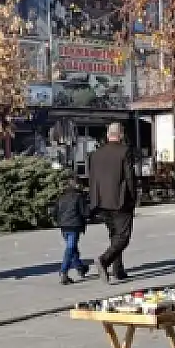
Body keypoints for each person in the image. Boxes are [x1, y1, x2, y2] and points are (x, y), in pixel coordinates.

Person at [88, 122, 136, 283]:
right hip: (121, 201)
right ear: (121, 135)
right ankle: (104, 260)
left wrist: (94, 200)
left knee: (114, 235)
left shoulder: (96, 154)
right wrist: (133, 197)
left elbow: (92, 179)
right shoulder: (124, 151)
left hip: (102, 202)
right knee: (123, 237)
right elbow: (129, 177)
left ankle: (118, 269)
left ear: (108, 135)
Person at [53, 172, 92, 286]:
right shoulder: (79, 197)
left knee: (72, 248)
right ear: (76, 184)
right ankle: (63, 272)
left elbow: (55, 213)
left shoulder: (61, 197)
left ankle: (80, 268)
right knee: (70, 249)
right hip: (74, 226)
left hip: (64, 226)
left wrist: (60, 221)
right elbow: (86, 213)